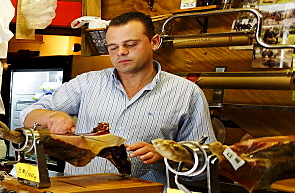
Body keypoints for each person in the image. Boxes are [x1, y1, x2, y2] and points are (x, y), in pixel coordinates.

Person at [22, 11, 214, 183]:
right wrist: (51, 116)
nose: (121, 52)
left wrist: (168, 154)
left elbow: (206, 164)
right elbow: (28, 114)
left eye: (130, 44)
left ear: (154, 42)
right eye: (113, 47)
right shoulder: (87, 83)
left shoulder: (186, 93)